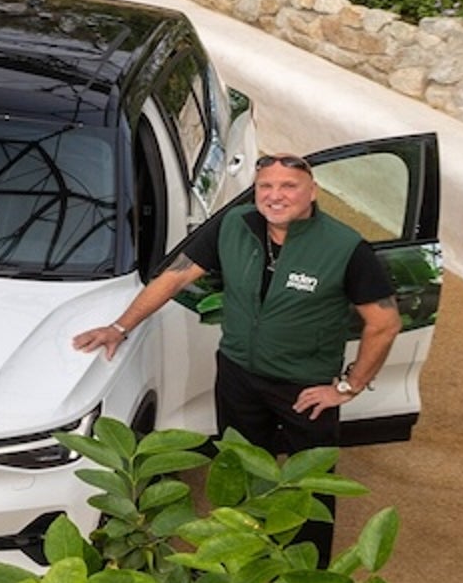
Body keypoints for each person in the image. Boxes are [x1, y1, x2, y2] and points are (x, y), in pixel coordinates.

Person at [71, 151, 402, 561]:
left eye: (288, 186)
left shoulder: (344, 247)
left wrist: (348, 387)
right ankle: (240, 555)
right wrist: (119, 327)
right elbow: (175, 277)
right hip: (238, 375)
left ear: (312, 192)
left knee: (310, 482)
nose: (275, 195)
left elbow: (384, 323)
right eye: (266, 186)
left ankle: (308, 573)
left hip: (305, 386)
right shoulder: (233, 225)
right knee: (238, 467)